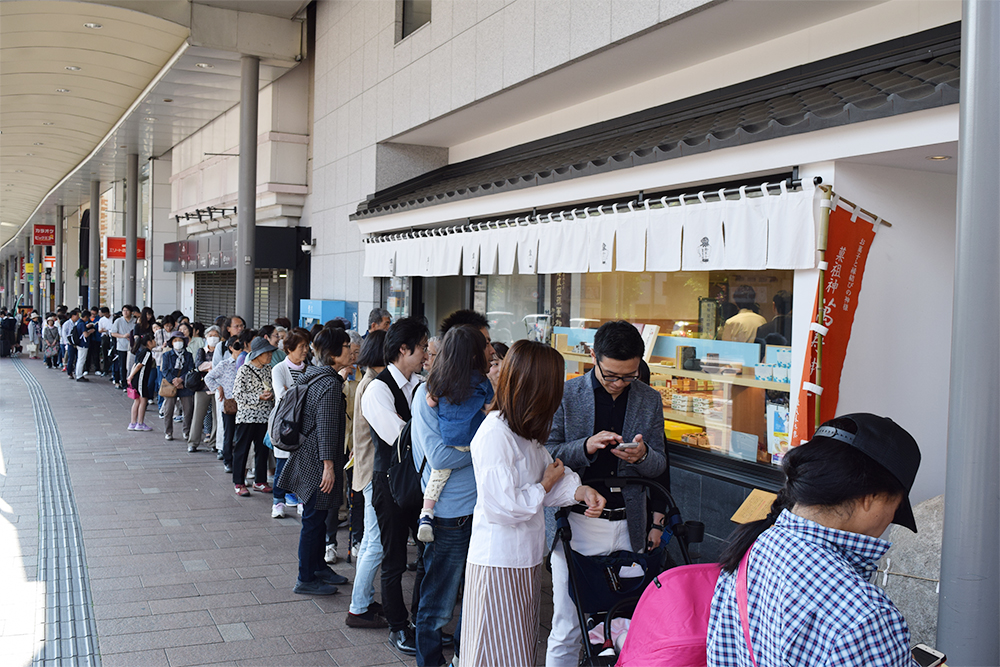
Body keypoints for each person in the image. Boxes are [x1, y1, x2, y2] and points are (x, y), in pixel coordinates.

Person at [707, 414, 922, 667]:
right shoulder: (863, 616)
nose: (889, 520)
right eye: (895, 508)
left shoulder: (754, 545)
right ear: (870, 496)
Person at [462, 340, 606, 667]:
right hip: (497, 560)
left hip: (521, 557)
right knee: (492, 651)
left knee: (516, 649)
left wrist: (579, 492)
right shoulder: (495, 434)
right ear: (537, 389)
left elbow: (549, 475)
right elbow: (506, 506)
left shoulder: (522, 431)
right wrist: (547, 484)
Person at [545, 320, 668, 667]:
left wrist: (642, 456)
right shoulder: (567, 395)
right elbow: (548, 453)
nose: (618, 384)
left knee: (625, 622)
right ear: (594, 357)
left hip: (630, 523)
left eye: (628, 376)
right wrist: (585, 446)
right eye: (610, 374)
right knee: (568, 624)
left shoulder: (648, 399)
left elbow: (660, 465)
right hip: (578, 523)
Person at [411, 325, 495, 667]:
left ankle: (463, 656)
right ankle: (429, 661)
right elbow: (441, 457)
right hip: (447, 516)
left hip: (482, 509)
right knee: (439, 601)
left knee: (473, 597)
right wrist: (482, 449)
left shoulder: (482, 388)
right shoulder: (427, 393)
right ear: (473, 354)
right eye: (486, 345)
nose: (492, 351)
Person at [360, 316, 429, 655]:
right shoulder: (377, 389)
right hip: (389, 484)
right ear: (404, 349)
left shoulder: (419, 384)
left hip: (419, 484)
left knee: (429, 554)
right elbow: (401, 437)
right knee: (395, 560)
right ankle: (398, 627)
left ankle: (420, 621)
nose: (426, 356)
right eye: (423, 349)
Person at [276, 327, 353, 595]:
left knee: (318, 518)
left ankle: (318, 567)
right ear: (333, 354)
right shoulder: (330, 383)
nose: (350, 350)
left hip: (306, 454)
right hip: (318, 461)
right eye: (345, 346)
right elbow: (327, 427)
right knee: (313, 518)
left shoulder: (312, 375)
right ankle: (305, 577)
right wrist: (329, 467)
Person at [345, 329, 389, 628]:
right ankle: (358, 607)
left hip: (365, 470)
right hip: (371, 471)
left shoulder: (368, 381)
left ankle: (364, 599)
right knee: (375, 543)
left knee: (373, 541)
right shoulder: (373, 385)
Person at [270, 332, 311, 518]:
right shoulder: (279, 369)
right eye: (301, 346)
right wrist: (300, 394)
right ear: (289, 349)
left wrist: (292, 391)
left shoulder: (310, 369)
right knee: (282, 465)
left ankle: (302, 499)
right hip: (285, 425)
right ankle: (278, 502)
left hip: (305, 425)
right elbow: (281, 395)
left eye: (306, 345)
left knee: (303, 465)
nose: (306, 350)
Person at [231, 336, 276, 496]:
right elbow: (237, 394)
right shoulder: (244, 369)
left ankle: (260, 480)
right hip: (247, 417)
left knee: (262, 449)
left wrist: (271, 396)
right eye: (267, 353)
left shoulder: (269, 369)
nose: (270, 355)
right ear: (257, 354)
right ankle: (238, 482)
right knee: (242, 449)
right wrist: (258, 396)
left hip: (264, 416)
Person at [205, 337, 243, 472]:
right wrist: (218, 387)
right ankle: (228, 460)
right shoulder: (225, 364)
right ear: (231, 348)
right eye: (237, 346)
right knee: (229, 433)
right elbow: (208, 377)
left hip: (245, 404)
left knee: (241, 435)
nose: (241, 349)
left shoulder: (247, 364)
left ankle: (240, 462)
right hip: (229, 404)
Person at [187, 326, 220, 453]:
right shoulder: (202, 350)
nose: (213, 338)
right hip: (202, 387)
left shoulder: (221, 350)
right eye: (210, 335)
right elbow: (199, 366)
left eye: (215, 335)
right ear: (206, 337)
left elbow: (222, 367)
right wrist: (214, 365)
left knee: (217, 418)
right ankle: (193, 442)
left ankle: (213, 442)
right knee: (198, 416)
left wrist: (210, 366)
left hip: (218, 388)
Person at [160, 331, 196, 442]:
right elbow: (164, 370)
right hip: (170, 385)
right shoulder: (166, 355)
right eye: (175, 341)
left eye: (180, 340)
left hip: (185, 385)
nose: (178, 343)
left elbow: (191, 369)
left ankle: (186, 431)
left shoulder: (188, 355)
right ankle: (168, 432)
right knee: (168, 410)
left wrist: (181, 379)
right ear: (171, 342)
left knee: (188, 409)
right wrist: (174, 381)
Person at [127, 333, 158, 432]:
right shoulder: (147, 353)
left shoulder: (140, 351)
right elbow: (139, 365)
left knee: (137, 400)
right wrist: (131, 376)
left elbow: (135, 364)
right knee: (143, 400)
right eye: (153, 340)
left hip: (137, 379)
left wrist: (130, 377)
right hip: (141, 380)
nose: (155, 341)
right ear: (149, 342)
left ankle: (133, 423)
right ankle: (140, 423)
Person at [110, 305, 136, 389]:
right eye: (124, 310)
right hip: (121, 347)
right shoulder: (118, 321)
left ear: (131, 312)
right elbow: (113, 333)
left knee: (132, 366)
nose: (125, 312)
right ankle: (124, 383)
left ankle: (132, 383)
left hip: (133, 347)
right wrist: (123, 336)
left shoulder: (135, 321)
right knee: (123, 365)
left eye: (127, 310)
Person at [73, 309, 97, 382]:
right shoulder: (82, 323)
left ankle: (78, 374)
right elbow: (85, 335)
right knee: (81, 360)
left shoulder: (78, 322)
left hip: (79, 343)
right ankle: (79, 375)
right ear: (86, 317)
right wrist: (90, 331)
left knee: (79, 359)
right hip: (83, 344)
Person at [61, 309, 79, 377]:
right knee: (71, 358)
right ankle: (69, 372)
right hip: (70, 343)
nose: (78, 317)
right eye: (77, 315)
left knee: (77, 358)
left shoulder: (77, 323)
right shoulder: (67, 324)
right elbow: (64, 334)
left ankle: (76, 371)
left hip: (77, 343)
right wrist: (68, 342)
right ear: (73, 316)